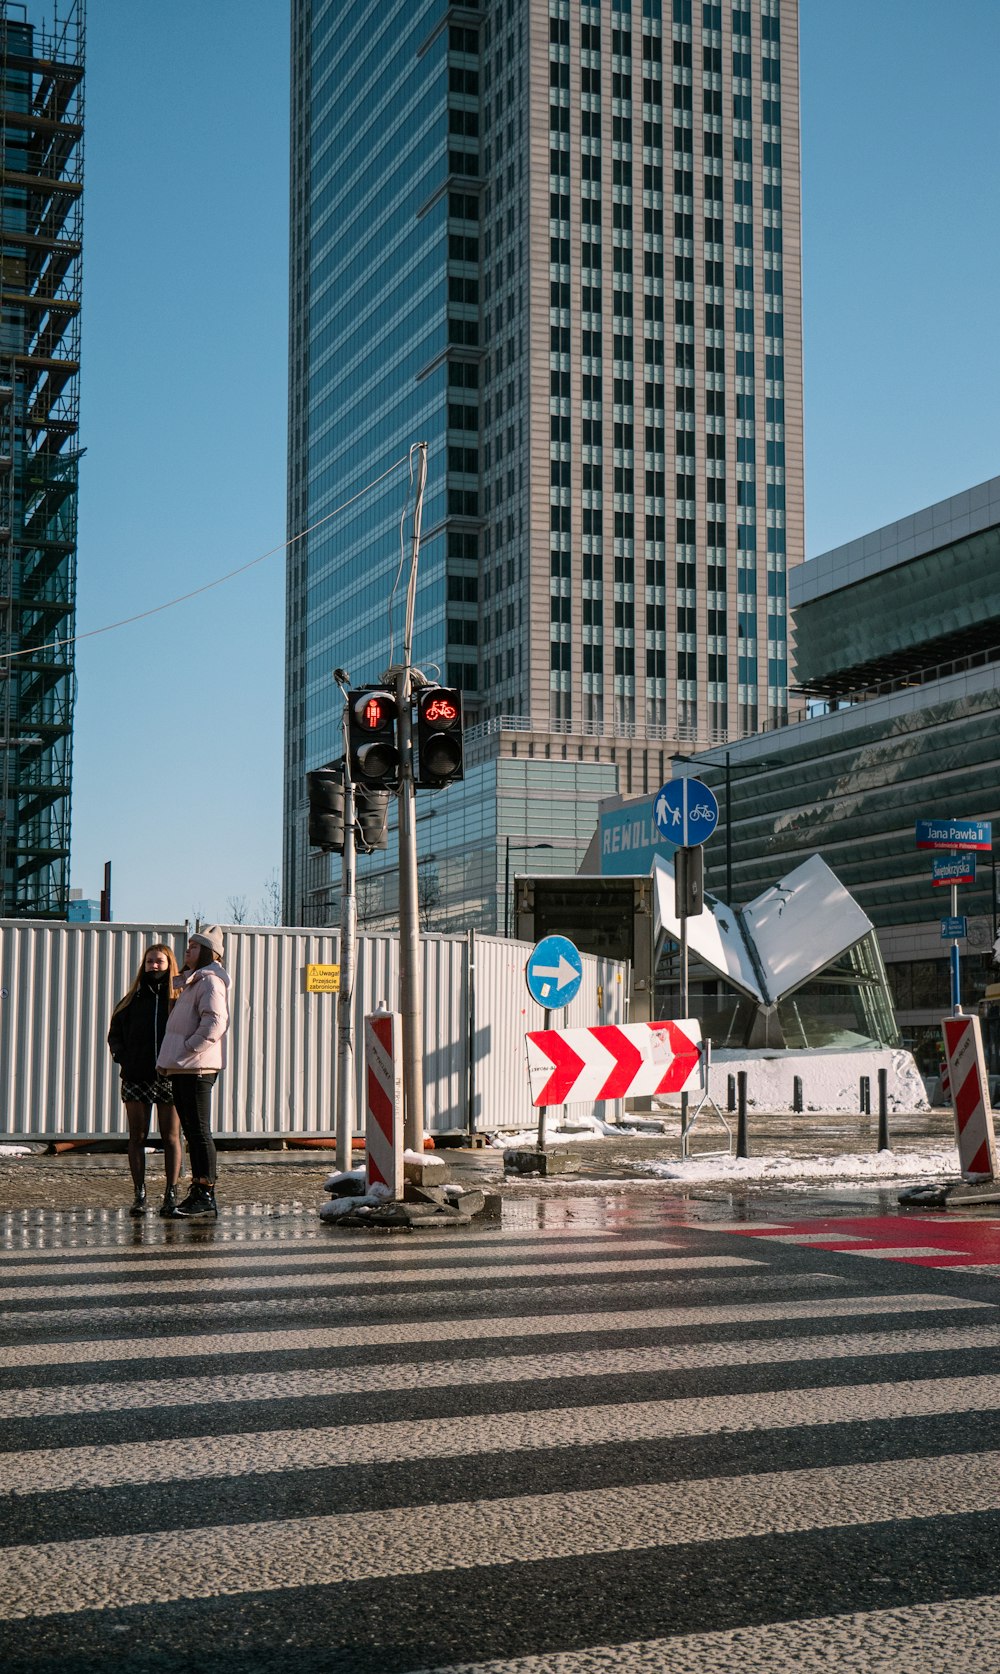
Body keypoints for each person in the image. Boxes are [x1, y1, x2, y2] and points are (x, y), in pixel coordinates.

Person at [156, 925, 231, 1218]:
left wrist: (188, 1048)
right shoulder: (193, 981)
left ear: (209, 953)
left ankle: (205, 1192)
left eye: (194, 947)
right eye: (188, 946)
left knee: (199, 1131)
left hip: (197, 1067)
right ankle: (199, 1191)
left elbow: (215, 1022)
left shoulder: (211, 982)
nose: (187, 951)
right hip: (185, 1067)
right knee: (191, 1130)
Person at [108, 943, 183, 1218]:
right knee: (136, 1137)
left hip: (169, 1076)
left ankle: (171, 1194)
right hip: (136, 1076)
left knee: (171, 1137)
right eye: (150, 961)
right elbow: (114, 1033)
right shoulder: (131, 1000)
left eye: (159, 961)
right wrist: (122, 1056)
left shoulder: (179, 1000)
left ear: (169, 964)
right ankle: (139, 1195)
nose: (154, 966)